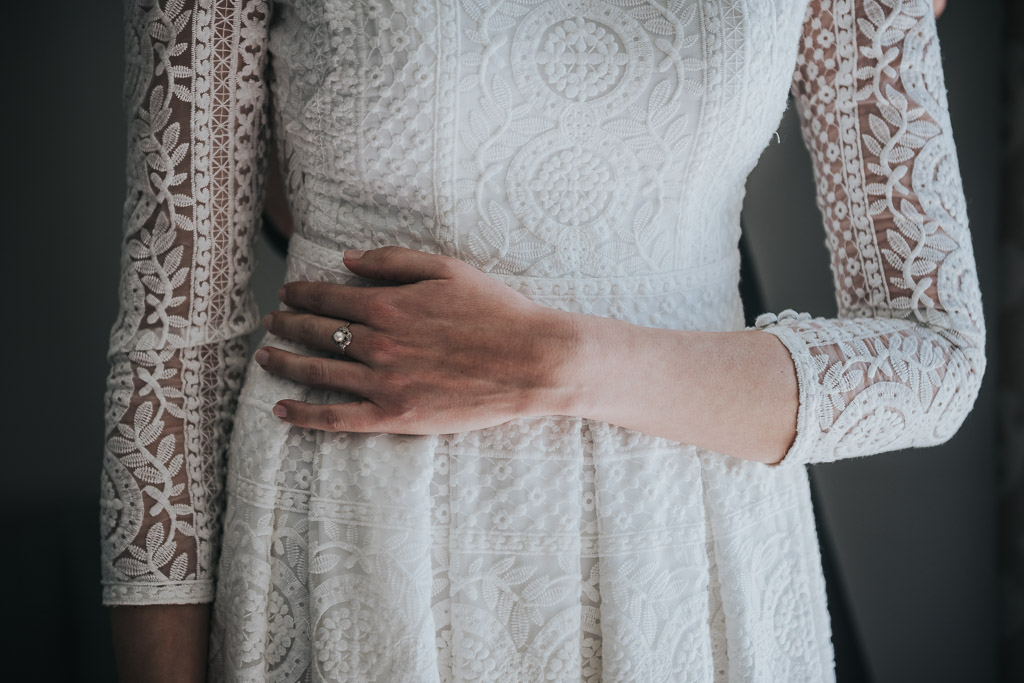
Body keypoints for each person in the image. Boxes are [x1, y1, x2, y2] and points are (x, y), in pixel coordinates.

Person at [101, 0, 981, 680]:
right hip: (360, 556)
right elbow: (173, 342)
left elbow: (934, 351)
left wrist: (561, 363)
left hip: (688, 564)